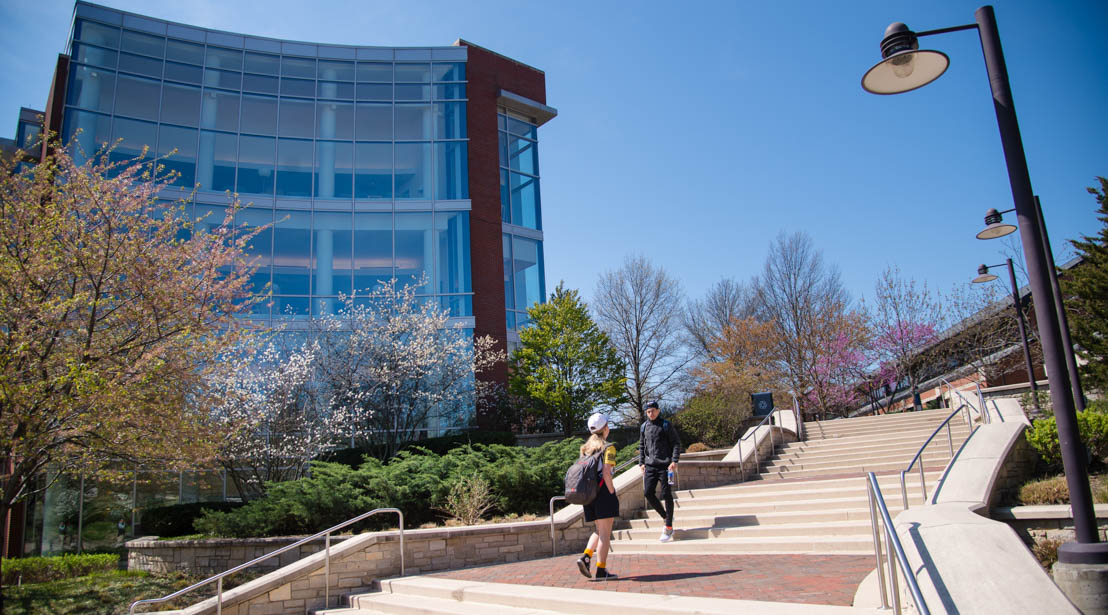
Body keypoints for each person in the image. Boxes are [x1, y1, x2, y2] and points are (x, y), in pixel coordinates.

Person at [576, 412, 619, 580]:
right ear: (606, 428)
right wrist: (612, 492)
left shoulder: (585, 449)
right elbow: (607, 472)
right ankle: (601, 570)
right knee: (605, 534)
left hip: (589, 495)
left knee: (599, 530)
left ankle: (586, 557)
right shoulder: (609, 448)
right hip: (603, 493)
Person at [639, 400, 680, 542]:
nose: (651, 413)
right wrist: (641, 462)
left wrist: (674, 461)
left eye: (653, 411)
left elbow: (676, 443)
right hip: (650, 466)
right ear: (646, 413)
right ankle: (666, 516)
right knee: (648, 493)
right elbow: (642, 444)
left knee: (666, 494)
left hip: (665, 465)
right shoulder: (644, 426)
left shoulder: (666, 425)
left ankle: (668, 526)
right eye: (649, 411)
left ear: (658, 410)